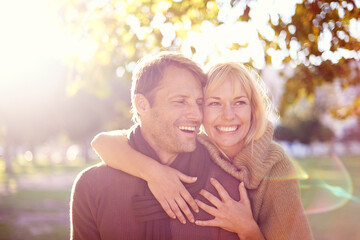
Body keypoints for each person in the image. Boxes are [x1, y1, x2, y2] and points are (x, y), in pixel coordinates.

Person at [91, 61, 314, 239]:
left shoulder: (274, 165)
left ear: (253, 110)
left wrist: (248, 230)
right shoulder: (195, 144)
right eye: (214, 103)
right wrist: (154, 173)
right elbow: (104, 143)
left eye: (239, 103)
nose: (228, 115)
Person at [71, 52, 259, 240]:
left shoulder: (226, 190)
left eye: (199, 103)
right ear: (142, 105)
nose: (196, 115)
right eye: (180, 101)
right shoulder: (92, 186)